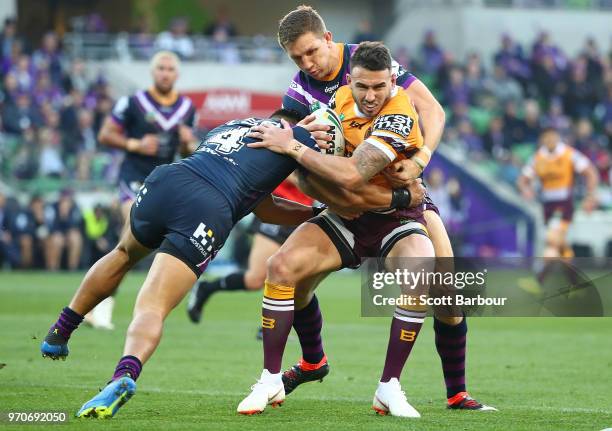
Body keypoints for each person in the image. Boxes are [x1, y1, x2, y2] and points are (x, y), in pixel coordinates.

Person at [40, 110, 422, 419]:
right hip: (206, 207)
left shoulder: (238, 124)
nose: (326, 140)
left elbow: (265, 206)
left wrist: (308, 213)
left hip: (166, 181)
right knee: (153, 303)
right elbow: (345, 190)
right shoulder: (297, 141)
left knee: (122, 255)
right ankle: (124, 374)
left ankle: (60, 331)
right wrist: (400, 194)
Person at [262, 5, 492, 412]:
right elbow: (289, 150)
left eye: (312, 52)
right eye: (297, 58)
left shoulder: (371, 64)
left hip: (395, 194)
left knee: (446, 292)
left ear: (329, 38)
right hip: (346, 202)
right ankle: (313, 360)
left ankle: (456, 392)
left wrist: (420, 159)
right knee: (293, 286)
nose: (307, 64)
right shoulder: (298, 92)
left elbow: (433, 110)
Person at [238, 41, 449, 418]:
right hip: (344, 215)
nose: (371, 96)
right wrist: (307, 148)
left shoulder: (400, 113)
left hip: (393, 217)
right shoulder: (335, 106)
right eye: (363, 87)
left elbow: (352, 175)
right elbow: (314, 176)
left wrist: (296, 151)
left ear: (392, 83)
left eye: (379, 87)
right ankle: (270, 378)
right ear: (350, 81)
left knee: (423, 271)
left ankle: (390, 387)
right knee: (280, 267)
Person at [92, 50, 198, 328]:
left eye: (170, 69)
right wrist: (134, 144)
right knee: (131, 232)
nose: (165, 73)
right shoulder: (133, 103)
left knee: (138, 244)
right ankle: (101, 305)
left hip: (161, 181)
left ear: (177, 74)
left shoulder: (187, 108)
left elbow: (188, 151)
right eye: (161, 68)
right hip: (133, 177)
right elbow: (105, 134)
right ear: (153, 72)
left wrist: (188, 143)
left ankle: (140, 305)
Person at [187, 174, 314, 342]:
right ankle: (207, 287)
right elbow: (291, 172)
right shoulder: (299, 147)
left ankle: (269, 328)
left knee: (297, 278)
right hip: (279, 207)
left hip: (304, 214)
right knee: (256, 279)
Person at [517, 127, 598, 287]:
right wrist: (526, 190)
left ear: (558, 137)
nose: (550, 141)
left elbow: (590, 172)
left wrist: (590, 196)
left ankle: (537, 281)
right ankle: (575, 284)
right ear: (542, 140)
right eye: (546, 138)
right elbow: (522, 180)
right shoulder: (538, 157)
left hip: (563, 205)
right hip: (547, 207)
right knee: (561, 248)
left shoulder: (568, 154)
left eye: (553, 137)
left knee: (552, 242)